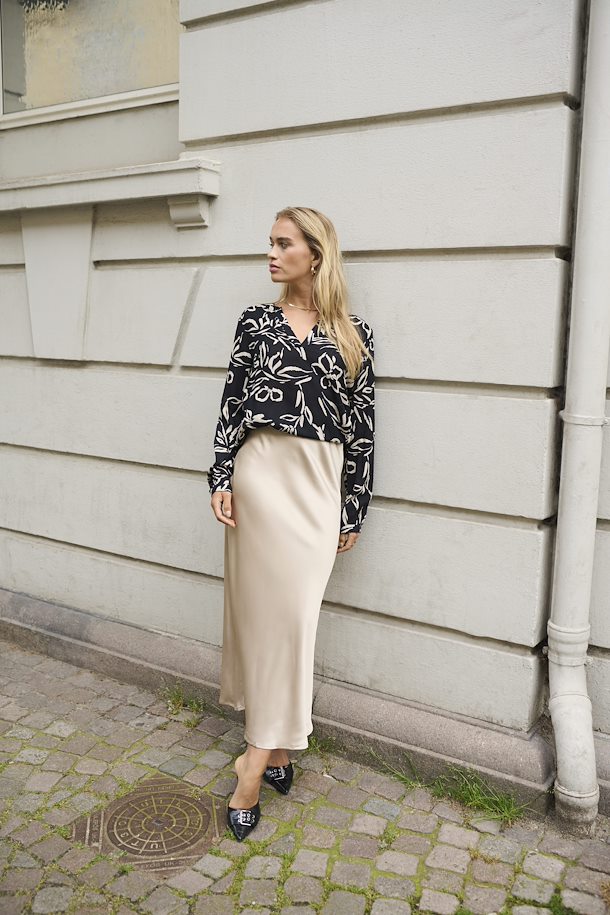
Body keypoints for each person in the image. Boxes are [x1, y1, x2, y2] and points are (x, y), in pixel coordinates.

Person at [208, 206, 375, 841]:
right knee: (266, 619)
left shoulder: (354, 334)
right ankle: (262, 758)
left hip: (317, 487)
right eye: (270, 243)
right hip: (260, 477)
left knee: (294, 620)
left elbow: (362, 429)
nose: (272, 255)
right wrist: (221, 475)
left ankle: (266, 752)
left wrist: (353, 507)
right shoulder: (255, 322)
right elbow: (232, 403)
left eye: (284, 244)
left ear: (315, 253)